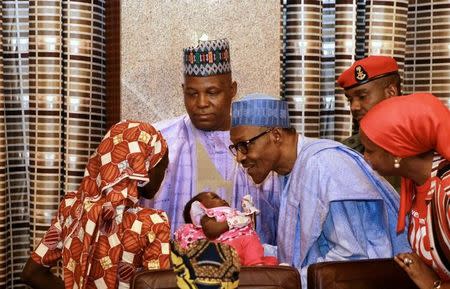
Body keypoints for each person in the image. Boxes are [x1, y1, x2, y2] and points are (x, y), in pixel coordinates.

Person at [229, 93, 411, 288]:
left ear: (276, 135)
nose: (239, 157)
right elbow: (300, 254)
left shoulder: (323, 164)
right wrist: (245, 252)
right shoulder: (291, 172)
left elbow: (349, 263)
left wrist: (282, 281)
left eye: (245, 146)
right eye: (236, 148)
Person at [145, 38, 280, 244]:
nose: (201, 103)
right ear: (183, 90)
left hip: (249, 269)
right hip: (174, 270)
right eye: (192, 94)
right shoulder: (158, 139)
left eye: (212, 92)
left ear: (232, 90)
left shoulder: (261, 142)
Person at [21, 120, 171, 289]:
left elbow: (31, 274)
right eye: (164, 168)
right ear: (145, 167)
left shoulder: (72, 209)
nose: (164, 176)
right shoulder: (152, 224)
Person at [359, 93, 450, 289]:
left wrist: (434, 285)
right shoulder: (417, 183)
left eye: (370, 150)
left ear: (397, 152)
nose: (364, 157)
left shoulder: (447, 190)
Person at [174, 191, 278, 266]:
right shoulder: (209, 215)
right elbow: (211, 231)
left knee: (254, 242)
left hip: (244, 245)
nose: (222, 199)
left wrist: (249, 213)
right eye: (215, 197)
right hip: (228, 247)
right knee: (248, 241)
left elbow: (249, 229)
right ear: (201, 208)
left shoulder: (232, 213)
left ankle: (257, 264)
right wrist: (231, 223)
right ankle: (255, 265)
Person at [337, 55, 401, 153]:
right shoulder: (349, 151)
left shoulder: (421, 141)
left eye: (362, 96)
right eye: (350, 100)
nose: (354, 107)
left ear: (391, 93)